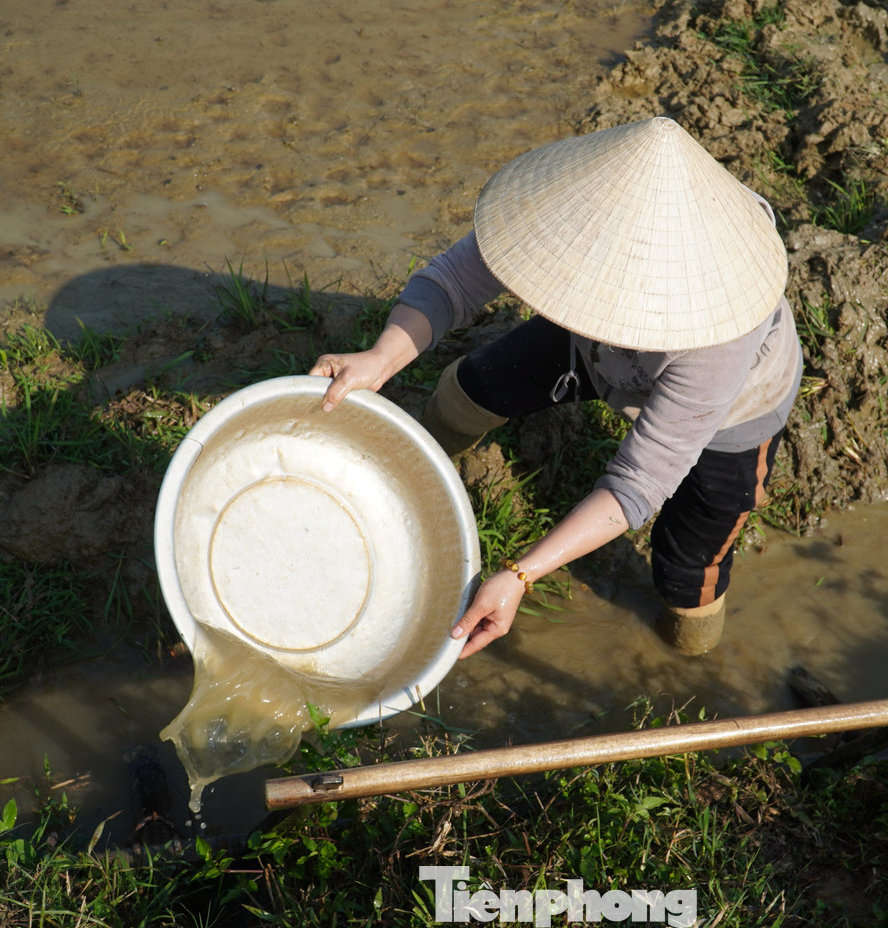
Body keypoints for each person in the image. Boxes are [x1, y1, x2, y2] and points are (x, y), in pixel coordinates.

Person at [309, 116, 803, 659]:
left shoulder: (720, 338)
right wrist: (382, 359)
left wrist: (520, 574)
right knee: (471, 389)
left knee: (689, 570)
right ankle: (400, 481)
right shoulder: (570, 210)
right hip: (594, 352)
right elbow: (454, 282)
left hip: (733, 417)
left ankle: (688, 656)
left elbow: (639, 482)